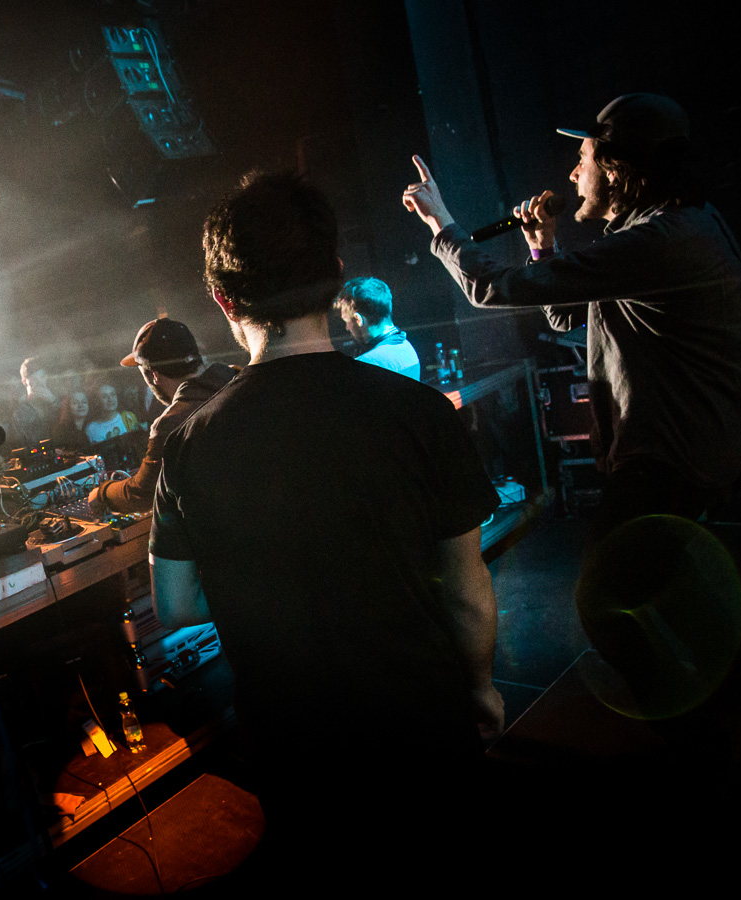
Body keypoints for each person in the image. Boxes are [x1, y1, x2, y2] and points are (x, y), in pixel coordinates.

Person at [150, 172, 502, 829]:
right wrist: (479, 686)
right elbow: (466, 587)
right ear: (336, 275)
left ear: (223, 299)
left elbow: (174, 607)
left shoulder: (187, 444)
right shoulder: (421, 412)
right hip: (422, 723)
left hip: (293, 745)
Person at [402, 93, 741, 537]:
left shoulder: (657, 242)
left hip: (667, 470)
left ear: (615, 170)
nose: (572, 174)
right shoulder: (680, 225)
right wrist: (542, 247)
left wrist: (440, 222)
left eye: (582, 159)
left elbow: (493, 286)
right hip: (683, 461)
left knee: (615, 577)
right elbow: (566, 317)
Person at [88, 318, 234, 514]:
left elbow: (141, 494)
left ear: (153, 374)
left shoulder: (171, 423)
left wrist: (102, 493)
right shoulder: (236, 378)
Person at [333, 276, 421, 381]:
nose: (347, 327)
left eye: (347, 321)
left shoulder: (367, 364)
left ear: (358, 319)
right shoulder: (408, 348)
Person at [11, 357, 58, 447]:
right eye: (35, 379)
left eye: (42, 377)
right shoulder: (20, 413)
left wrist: (53, 401)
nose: (41, 383)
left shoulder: (56, 401)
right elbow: (25, 444)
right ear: (24, 382)